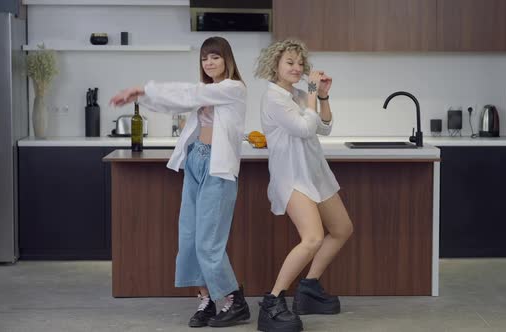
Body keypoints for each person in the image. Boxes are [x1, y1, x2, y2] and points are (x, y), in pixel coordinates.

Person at [109, 36, 250, 328]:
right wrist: (141, 98)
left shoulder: (233, 88)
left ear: (227, 60)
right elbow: (175, 103)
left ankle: (234, 299)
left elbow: (188, 93)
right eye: (204, 58)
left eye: (215, 57)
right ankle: (208, 299)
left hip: (217, 168)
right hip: (195, 162)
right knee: (188, 238)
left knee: (207, 242)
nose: (209, 63)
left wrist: (143, 89)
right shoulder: (208, 90)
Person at [254, 39, 354, 331]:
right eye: (290, 62)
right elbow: (304, 127)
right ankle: (272, 302)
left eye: (300, 63)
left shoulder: (299, 94)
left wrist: (321, 96)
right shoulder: (273, 97)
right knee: (312, 238)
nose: (297, 68)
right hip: (292, 176)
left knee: (342, 229)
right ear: (275, 65)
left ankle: (308, 288)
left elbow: (323, 126)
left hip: (314, 173)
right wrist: (311, 93)